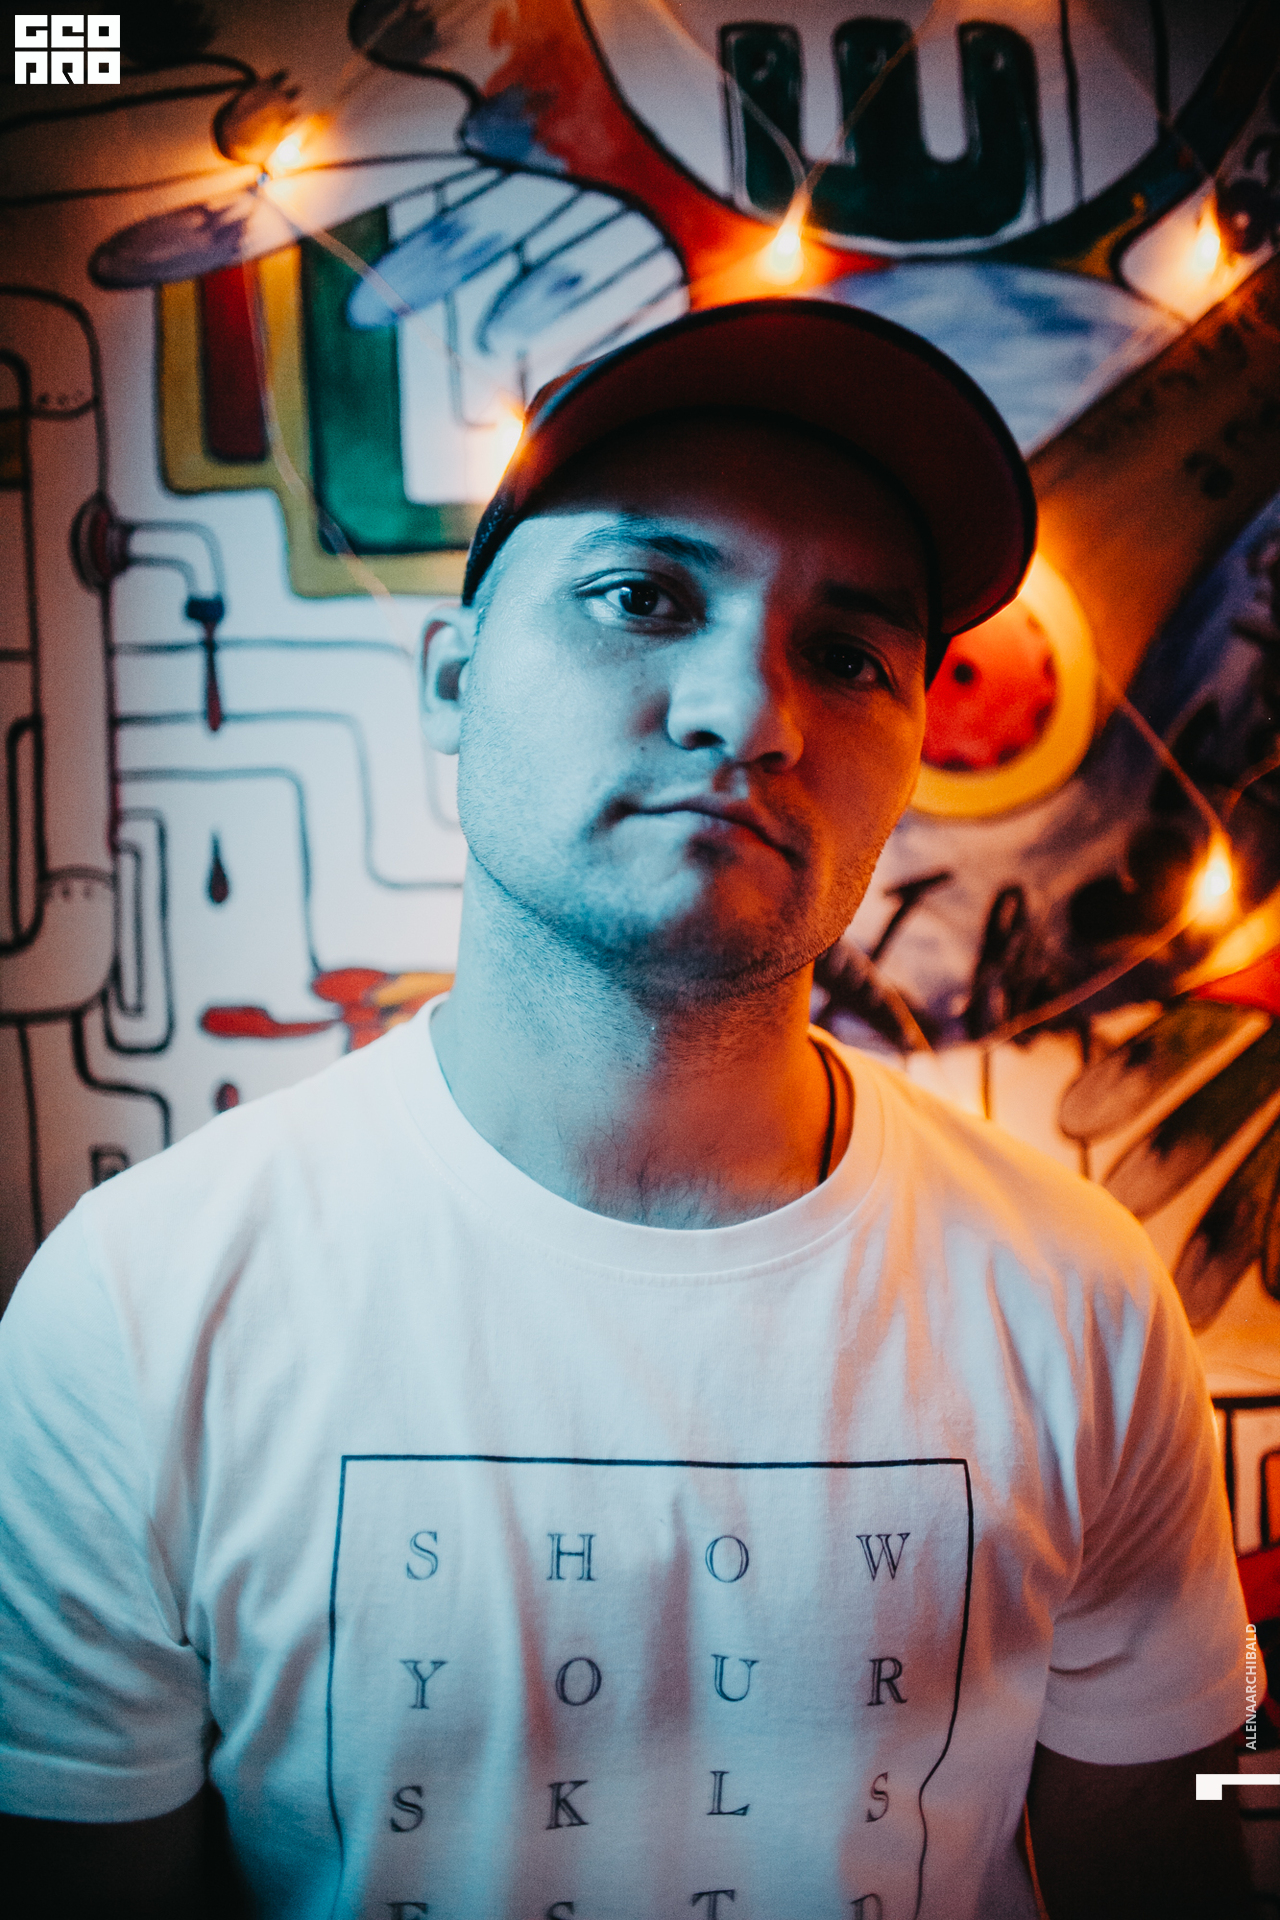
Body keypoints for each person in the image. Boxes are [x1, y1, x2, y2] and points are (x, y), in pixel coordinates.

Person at [0, 300, 1254, 1920]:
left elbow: (1181, 1847)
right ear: (456, 679)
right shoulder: (137, 1307)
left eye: (850, 655)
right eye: (643, 597)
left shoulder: (1078, 1297)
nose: (750, 715)